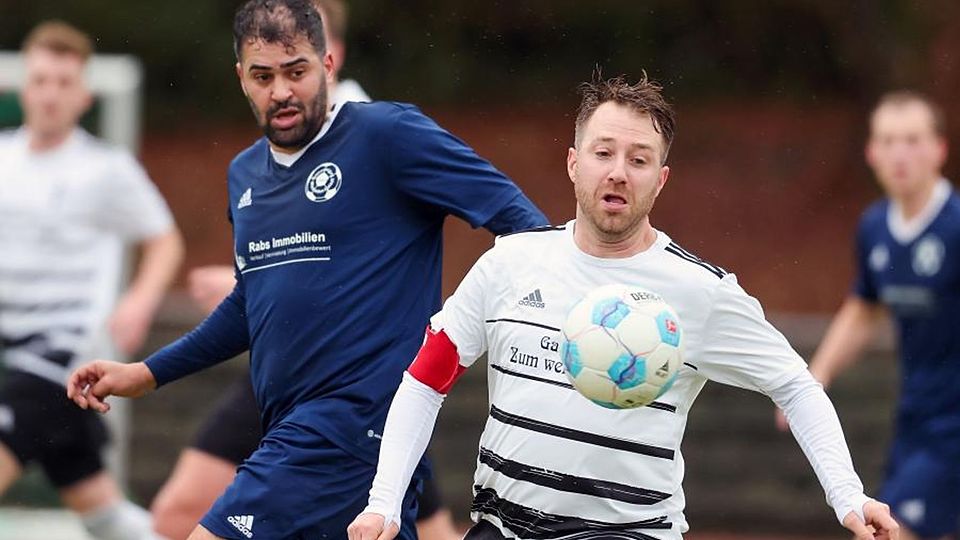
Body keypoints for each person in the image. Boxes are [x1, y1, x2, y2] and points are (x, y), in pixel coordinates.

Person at [347, 73, 901, 540]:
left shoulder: (700, 292)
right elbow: (425, 380)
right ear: (573, 163)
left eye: (638, 160)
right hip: (501, 527)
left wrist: (847, 496)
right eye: (603, 152)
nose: (618, 171)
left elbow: (795, 385)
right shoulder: (510, 263)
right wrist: (385, 503)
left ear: (659, 181)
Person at [67, 1, 546, 539]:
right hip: (305, 433)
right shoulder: (244, 174)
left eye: (296, 71)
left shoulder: (388, 135)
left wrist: (534, 325)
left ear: (328, 63)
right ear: (241, 79)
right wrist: (146, 373)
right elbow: (250, 306)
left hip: (349, 428)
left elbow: (524, 226)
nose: (281, 92)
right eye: (262, 76)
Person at [0, 21, 183, 540]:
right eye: (41, 80)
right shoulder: (4, 159)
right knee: (102, 511)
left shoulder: (105, 169)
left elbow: (164, 239)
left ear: (83, 95)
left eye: (63, 82)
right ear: (23, 88)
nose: (51, 93)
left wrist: (140, 302)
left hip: (65, 356)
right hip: (17, 349)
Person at [775, 91, 960, 540]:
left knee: (888, 531)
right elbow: (863, 308)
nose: (901, 154)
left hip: (954, 428)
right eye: (889, 141)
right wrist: (815, 376)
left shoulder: (956, 226)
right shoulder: (875, 227)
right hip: (916, 418)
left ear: (939, 149)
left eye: (913, 140)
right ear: (872, 153)